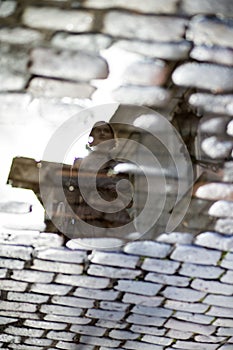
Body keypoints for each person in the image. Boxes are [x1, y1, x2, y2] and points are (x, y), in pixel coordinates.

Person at [66, 121, 134, 238]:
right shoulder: (79, 164)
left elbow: (128, 199)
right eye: (98, 130)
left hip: (114, 218)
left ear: (112, 139)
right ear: (91, 138)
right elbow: (72, 194)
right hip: (88, 217)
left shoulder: (120, 167)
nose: (102, 133)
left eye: (106, 131)